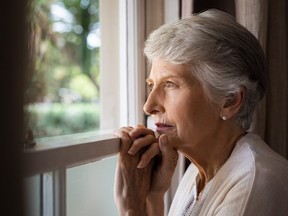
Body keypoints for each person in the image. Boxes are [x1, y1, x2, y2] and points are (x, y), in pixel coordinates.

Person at [114, 9, 288, 216]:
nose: (148, 106)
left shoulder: (257, 184)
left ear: (230, 100)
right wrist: (152, 197)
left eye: (170, 84)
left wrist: (131, 209)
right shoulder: (198, 171)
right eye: (152, 85)